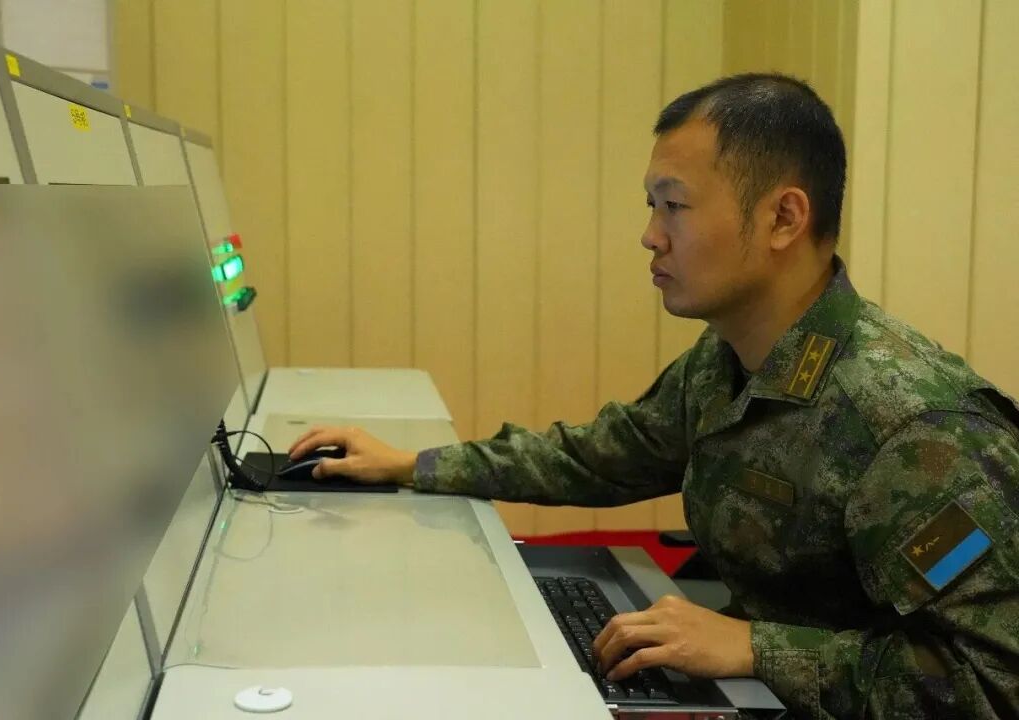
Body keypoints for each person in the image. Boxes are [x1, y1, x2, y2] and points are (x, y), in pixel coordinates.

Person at [288, 74, 1019, 718]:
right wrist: (413, 464)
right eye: (652, 205)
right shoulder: (727, 361)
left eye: (674, 206)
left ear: (783, 219)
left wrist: (756, 648)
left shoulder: (918, 430)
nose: (650, 236)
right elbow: (600, 457)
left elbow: (991, 685)